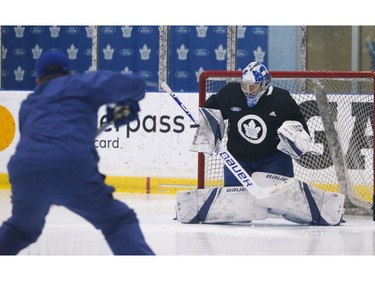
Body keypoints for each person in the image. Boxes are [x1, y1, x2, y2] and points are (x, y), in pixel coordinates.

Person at [0, 50, 155, 255]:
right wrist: (127, 103)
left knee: (21, 229)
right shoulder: (81, 84)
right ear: (69, 72)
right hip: (71, 166)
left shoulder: (29, 104)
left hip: (25, 171)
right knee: (117, 221)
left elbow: (38, 145)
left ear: (38, 79)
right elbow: (135, 84)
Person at [204, 61, 310, 187]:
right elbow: (212, 108)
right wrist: (205, 122)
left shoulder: (281, 99)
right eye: (245, 85)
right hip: (238, 159)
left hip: (274, 159)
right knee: (235, 202)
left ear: (265, 83)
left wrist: (295, 134)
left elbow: (299, 125)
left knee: (279, 200)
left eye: (253, 86)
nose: (248, 90)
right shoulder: (231, 93)